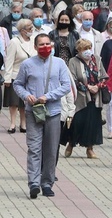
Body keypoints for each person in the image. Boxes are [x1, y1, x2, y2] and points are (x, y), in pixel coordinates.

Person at [13, 34, 71, 199]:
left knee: (51, 149)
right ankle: (33, 183)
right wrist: (26, 95)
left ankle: (47, 183)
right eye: (41, 44)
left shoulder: (59, 63)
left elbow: (66, 86)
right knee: (34, 148)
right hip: (33, 112)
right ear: (35, 46)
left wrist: (49, 96)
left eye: (47, 44)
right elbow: (18, 84)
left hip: (52, 112)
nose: (45, 47)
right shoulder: (27, 64)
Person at [63, 39, 107, 159]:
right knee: (76, 122)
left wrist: (97, 86)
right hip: (80, 98)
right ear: (79, 50)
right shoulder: (73, 61)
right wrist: (87, 87)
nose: (88, 51)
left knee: (93, 123)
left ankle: (90, 148)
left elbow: (104, 77)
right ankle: (71, 143)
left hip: (95, 97)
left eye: (89, 48)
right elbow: (72, 79)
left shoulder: (97, 59)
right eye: (84, 49)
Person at [4, 18, 37, 133]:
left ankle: (23, 123)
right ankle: (12, 123)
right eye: (29, 29)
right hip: (16, 75)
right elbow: (9, 61)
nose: (31, 30)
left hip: (30, 76)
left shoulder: (34, 40)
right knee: (13, 101)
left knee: (25, 101)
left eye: (32, 28)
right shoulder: (14, 42)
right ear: (22, 30)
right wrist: (7, 78)